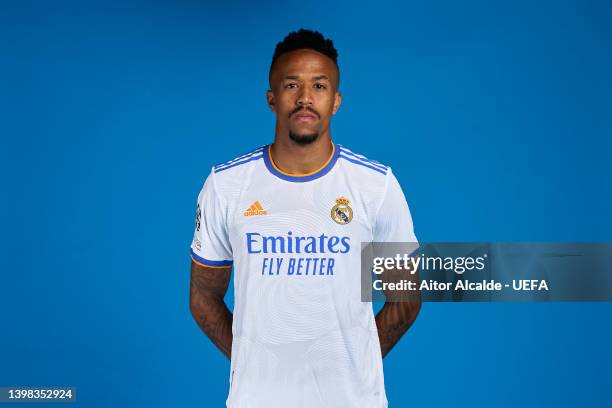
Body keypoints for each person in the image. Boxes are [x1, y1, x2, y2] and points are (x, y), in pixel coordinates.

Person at [189, 28, 420, 408]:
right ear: (272, 99)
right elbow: (202, 296)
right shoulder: (226, 185)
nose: (305, 98)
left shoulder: (376, 186)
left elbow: (406, 298)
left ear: (336, 101)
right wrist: (253, 365)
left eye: (319, 86)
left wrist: (352, 366)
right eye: (291, 85)